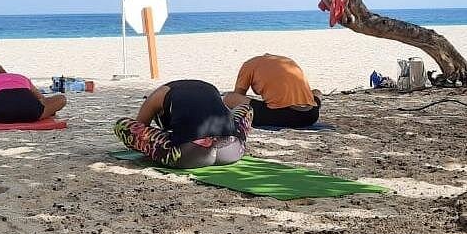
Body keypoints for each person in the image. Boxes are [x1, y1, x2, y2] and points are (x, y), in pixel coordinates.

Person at [115, 79, 253, 168]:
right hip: (233, 150)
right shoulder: (210, 88)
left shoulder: (157, 95)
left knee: (122, 125)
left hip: (188, 156)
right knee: (246, 109)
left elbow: (140, 126)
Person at [224, 54, 322, 128]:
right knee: (316, 92)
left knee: (229, 98)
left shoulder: (248, 65)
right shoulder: (288, 61)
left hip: (282, 116)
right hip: (311, 115)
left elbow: (238, 95)